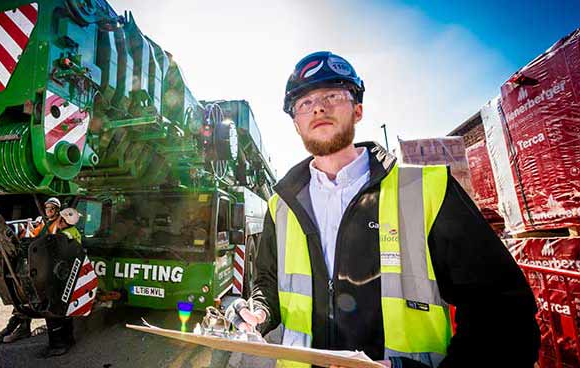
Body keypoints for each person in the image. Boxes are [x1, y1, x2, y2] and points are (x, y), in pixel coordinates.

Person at [226, 51, 539, 368]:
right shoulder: (281, 206)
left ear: (358, 110)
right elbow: (267, 280)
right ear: (296, 124)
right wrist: (259, 311)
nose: (318, 107)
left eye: (332, 95)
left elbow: (503, 312)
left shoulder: (426, 190)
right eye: (304, 103)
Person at [0, 197, 63, 344]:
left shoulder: (59, 223)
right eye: (47, 208)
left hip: (47, 266)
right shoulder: (44, 222)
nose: (49, 211)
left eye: (52, 208)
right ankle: (17, 327)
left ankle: (21, 328)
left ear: (57, 210)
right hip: (37, 261)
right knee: (24, 295)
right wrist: (24, 231)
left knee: (34, 295)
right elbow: (33, 235)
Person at [40, 207, 84, 358]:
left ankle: (58, 345)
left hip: (61, 277)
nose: (57, 220)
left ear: (64, 222)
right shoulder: (74, 232)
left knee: (53, 311)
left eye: (60, 219)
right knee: (66, 310)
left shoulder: (63, 236)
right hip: (70, 274)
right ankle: (69, 339)